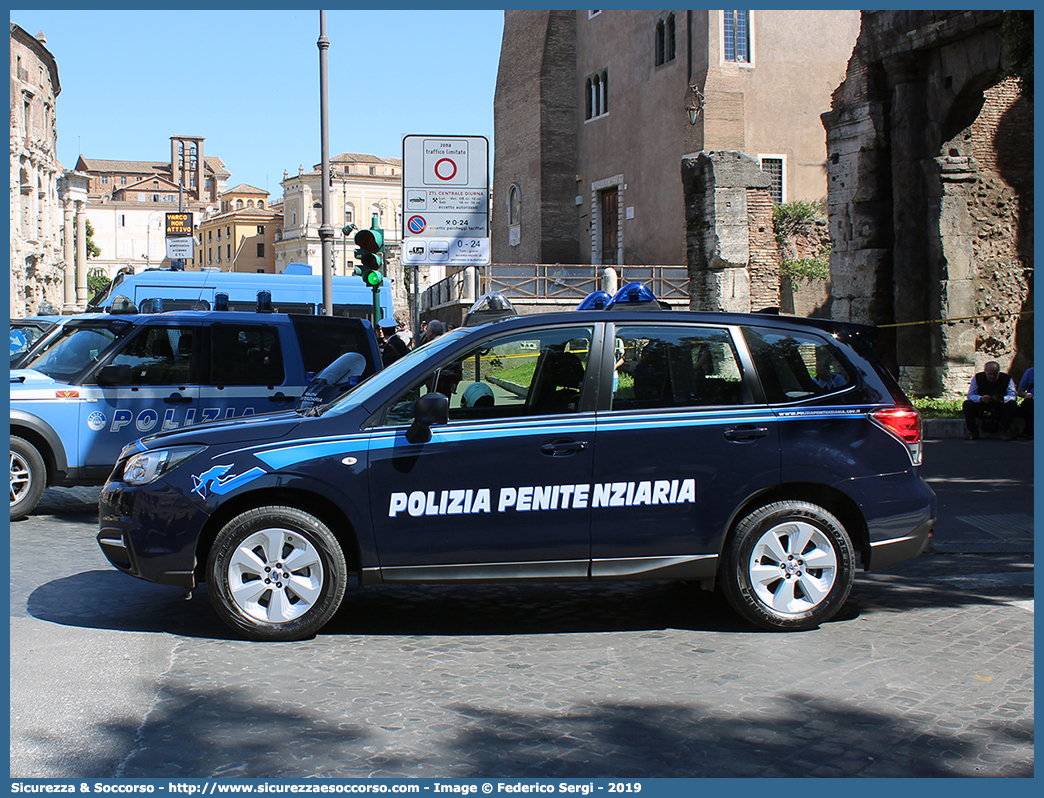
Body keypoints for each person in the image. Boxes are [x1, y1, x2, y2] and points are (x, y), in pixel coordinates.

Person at [963, 360, 1017, 440]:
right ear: (985, 371)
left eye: (995, 374)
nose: (992, 376)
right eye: (989, 374)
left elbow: (1013, 396)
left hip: (1000, 406)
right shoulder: (978, 378)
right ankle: (973, 431)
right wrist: (981, 399)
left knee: (1012, 404)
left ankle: (1003, 431)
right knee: (967, 404)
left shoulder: (1007, 379)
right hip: (982, 406)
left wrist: (1002, 399)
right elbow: (971, 395)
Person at [1017, 366, 1033, 439]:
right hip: (1032, 399)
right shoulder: (1030, 372)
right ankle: (1029, 432)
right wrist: (1026, 395)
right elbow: (1020, 391)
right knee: (1029, 405)